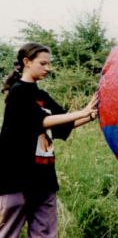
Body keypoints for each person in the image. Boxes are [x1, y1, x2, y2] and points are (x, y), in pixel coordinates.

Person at [0, 42, 98, 238]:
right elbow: (42, 120)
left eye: (49, 64)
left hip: (43, 179)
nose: (48, 68)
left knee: (45, 234)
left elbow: (64, 123)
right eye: (43, 63)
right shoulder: (17, 93)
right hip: (16, 178)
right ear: (27, 62)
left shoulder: (42, 95)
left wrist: (91, 115)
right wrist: (81, 112)